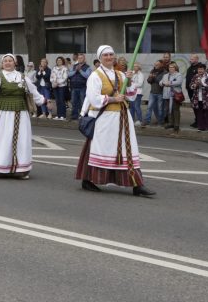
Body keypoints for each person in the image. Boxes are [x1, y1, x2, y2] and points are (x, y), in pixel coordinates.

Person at [75, 45, 155, 197]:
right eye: (105, 55)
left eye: (111, 54)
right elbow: (93, 98)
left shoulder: (120, 74)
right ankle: (88, 179)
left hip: (123, 118)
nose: (109, 57)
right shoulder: (95, 76)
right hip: (104, 119)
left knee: (127, 150)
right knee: (99, 149)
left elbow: (130, 95)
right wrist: (113, 98)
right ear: (100, 58)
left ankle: (137, 185)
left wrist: (129, 81)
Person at [189, 63, 208, 132]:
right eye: (199, 69)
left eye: (201, 69)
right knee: (199, 113)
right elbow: (191, 86)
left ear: (205, 70)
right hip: (197, 97)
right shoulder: (195, 76)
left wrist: (202, 84)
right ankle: (201, 127)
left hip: (207, 98)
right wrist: (194, 85)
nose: (200, 71)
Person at [161, 61, 183, 131]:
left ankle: (176, 125)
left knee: (175, 110)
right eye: (169, 67)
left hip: (175, 95)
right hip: (167, 95)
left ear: (175, 68)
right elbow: (161, 82)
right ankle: (171, 123)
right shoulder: (165, 75)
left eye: (172, 67)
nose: (170, 68)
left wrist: (169, 83)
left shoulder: (178, 75)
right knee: (169, 110)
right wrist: (162, 83)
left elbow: (178, 82)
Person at [143, 60, 165, 127]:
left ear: (161, 65)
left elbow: (161, 82)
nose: (156, 66)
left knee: (160, 108)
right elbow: (148, 81)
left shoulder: (164, 72)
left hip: (160, 93)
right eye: (155, 64)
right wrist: (150, 78)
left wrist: (153, 77)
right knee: (149, 107)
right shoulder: (153, 71)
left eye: (157, 65)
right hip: (152, 92)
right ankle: (147, 121)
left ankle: (160, 122)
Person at [68, 53, 90, 122]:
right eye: (79, 58)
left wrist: (80, 70)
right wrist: (75, 71)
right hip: (74, 87)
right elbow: (69, 74)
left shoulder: (87, 67)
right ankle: (74, 116)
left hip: (82, 87)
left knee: (82, 102)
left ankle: (82, 116)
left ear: (84, 59)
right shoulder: (74, 66)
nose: (80, 59)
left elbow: (87, 76)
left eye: (81, 58)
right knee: (74, 102)